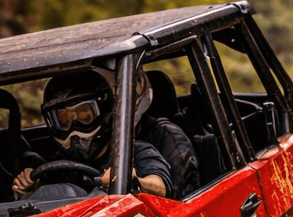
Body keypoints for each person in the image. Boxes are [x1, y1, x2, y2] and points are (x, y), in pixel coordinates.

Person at [14, 67, 175, 199]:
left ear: (104, 112)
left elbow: (160, 186)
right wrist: (32, 188)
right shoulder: (59, 165)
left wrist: (132, 181)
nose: (74, 127)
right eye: (64, 118)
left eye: (84, 114)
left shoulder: (134, 151)